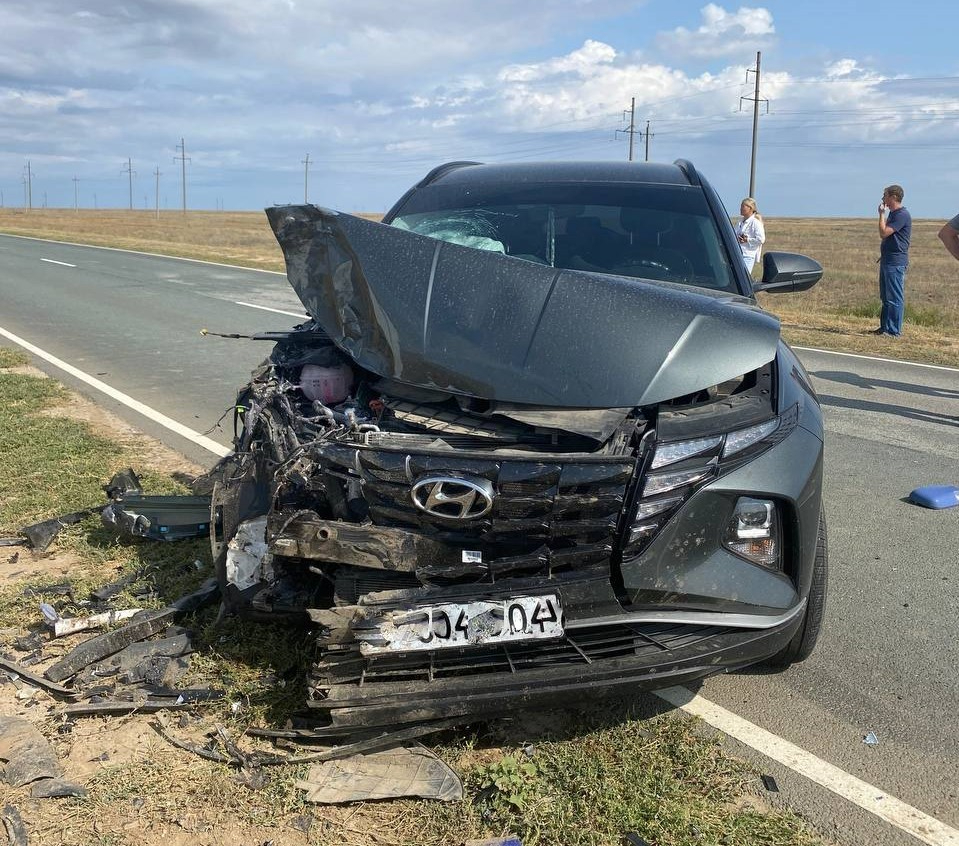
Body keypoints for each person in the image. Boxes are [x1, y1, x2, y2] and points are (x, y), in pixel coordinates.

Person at [874, 184, 912, 337]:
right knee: (886, 297)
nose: (883, 199)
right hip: (887, 260)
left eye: (885, 196)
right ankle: (885, 327)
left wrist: (881, 214)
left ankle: (894, 331)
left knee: (895, 297)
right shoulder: (894, 214)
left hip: (895, 262)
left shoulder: (902, 215)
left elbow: (884, 233)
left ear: (893, 197)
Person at [735, 197, 765, 273]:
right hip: (737, 253)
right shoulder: (740, 221)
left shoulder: (755, 223)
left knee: (743, 277)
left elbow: (761, 239)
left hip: (747, 255)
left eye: (743, 206)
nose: (740, 208)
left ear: (750, 208)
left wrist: (747, 240)